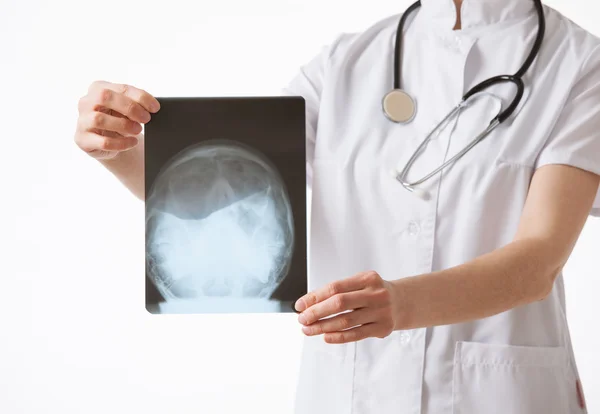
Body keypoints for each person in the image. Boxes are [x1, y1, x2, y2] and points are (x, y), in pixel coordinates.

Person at [74, 0, 600, 412]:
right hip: (350, 391)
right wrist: (115, 147)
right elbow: (225, 195)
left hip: (500, 393)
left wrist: (402, 303)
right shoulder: (344, 64)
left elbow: (539, 261)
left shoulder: (579, 65)